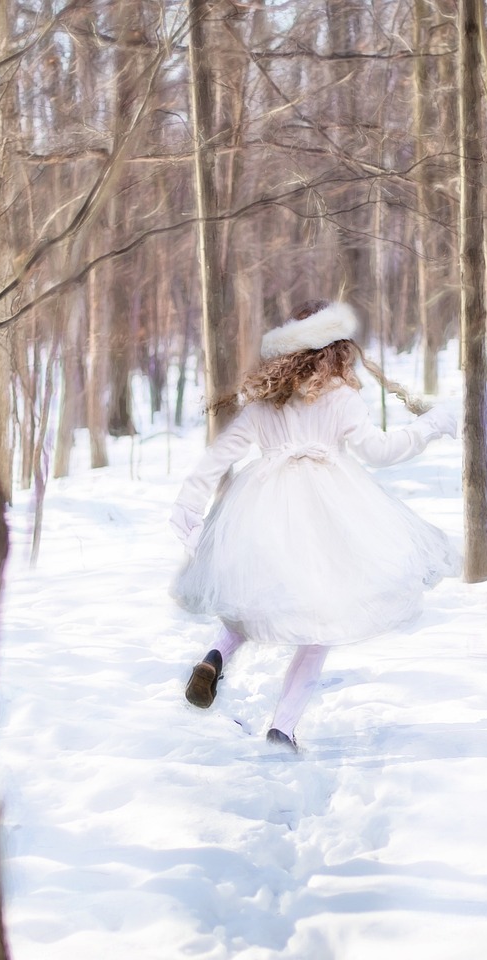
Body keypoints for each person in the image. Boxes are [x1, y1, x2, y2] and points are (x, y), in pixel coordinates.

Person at [169, 299, 460, 751]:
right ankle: (282, 728)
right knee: (323, 617)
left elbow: (219, 458)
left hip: (264, 505)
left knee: (255, 593)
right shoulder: (342, 398)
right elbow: (380, 452)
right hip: (330, 509)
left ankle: (216, 656)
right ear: (337, 347)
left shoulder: (266, 400)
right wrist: (432, 425)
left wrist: (188, 510)